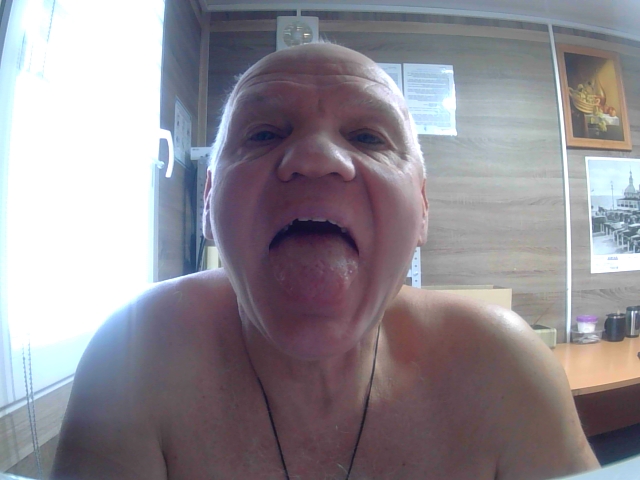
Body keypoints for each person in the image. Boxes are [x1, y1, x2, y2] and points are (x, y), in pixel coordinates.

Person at [51, 43, 599, 480]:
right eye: (264, 133)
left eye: (367, 136)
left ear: (423, 208)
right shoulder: (133, 360)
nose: (317, 157)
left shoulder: (505, 369)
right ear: (209, 201)